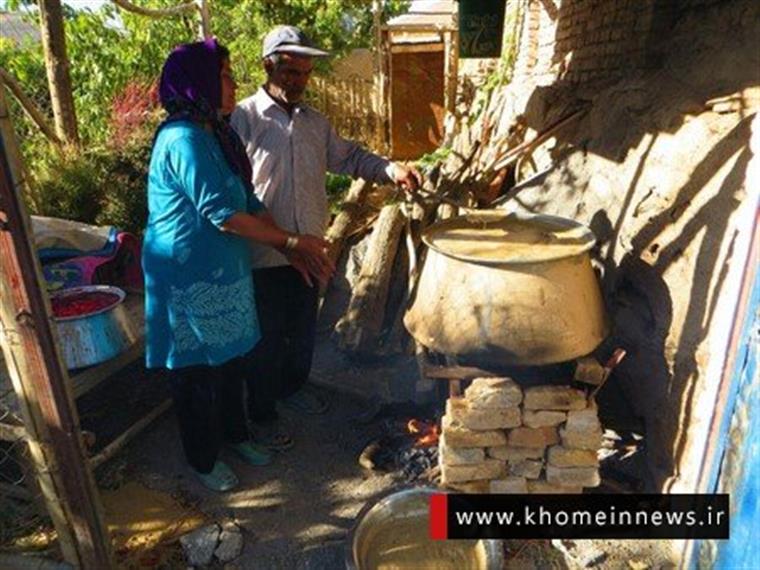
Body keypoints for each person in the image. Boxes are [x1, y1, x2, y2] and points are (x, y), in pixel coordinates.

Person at [143, 38, 334, 492]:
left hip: (223, 273)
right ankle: (203, 460)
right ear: (199, 83)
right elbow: (224, 215)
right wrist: (291, 239)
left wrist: (290, 251)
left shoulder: (217, 133)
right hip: (186, 278)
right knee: (196, 373)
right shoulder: (182, 139)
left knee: (232, 361)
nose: (231, 83)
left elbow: (247, 199)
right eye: (224, 75)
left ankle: (236, 434)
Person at [231, 25, 422, 450]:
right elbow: (228, 189)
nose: (299, 80)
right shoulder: (242, 120)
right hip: (262, 253)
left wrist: (391, 170)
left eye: (305, 72)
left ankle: (293, 389)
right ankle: (262, 415)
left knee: (301, 329)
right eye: (290, 71)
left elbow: (350, 157)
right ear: (268, 66)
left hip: (311, 249)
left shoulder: (315, 123)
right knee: (262, 340)